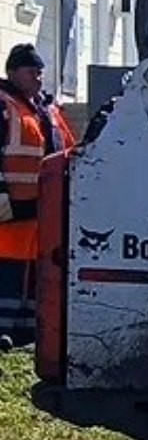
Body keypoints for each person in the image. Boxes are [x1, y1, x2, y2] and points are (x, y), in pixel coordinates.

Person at [0, 44, 76, 347]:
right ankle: (4, 332)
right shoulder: (5, 106)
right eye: (32, 72)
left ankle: (28, 334)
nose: (38, 78)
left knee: (35, 275)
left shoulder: (47, 111)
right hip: (9, 212)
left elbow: (69, 151)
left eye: (40, 72)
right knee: (8, 273)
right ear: (12, 73)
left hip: (42, 211)